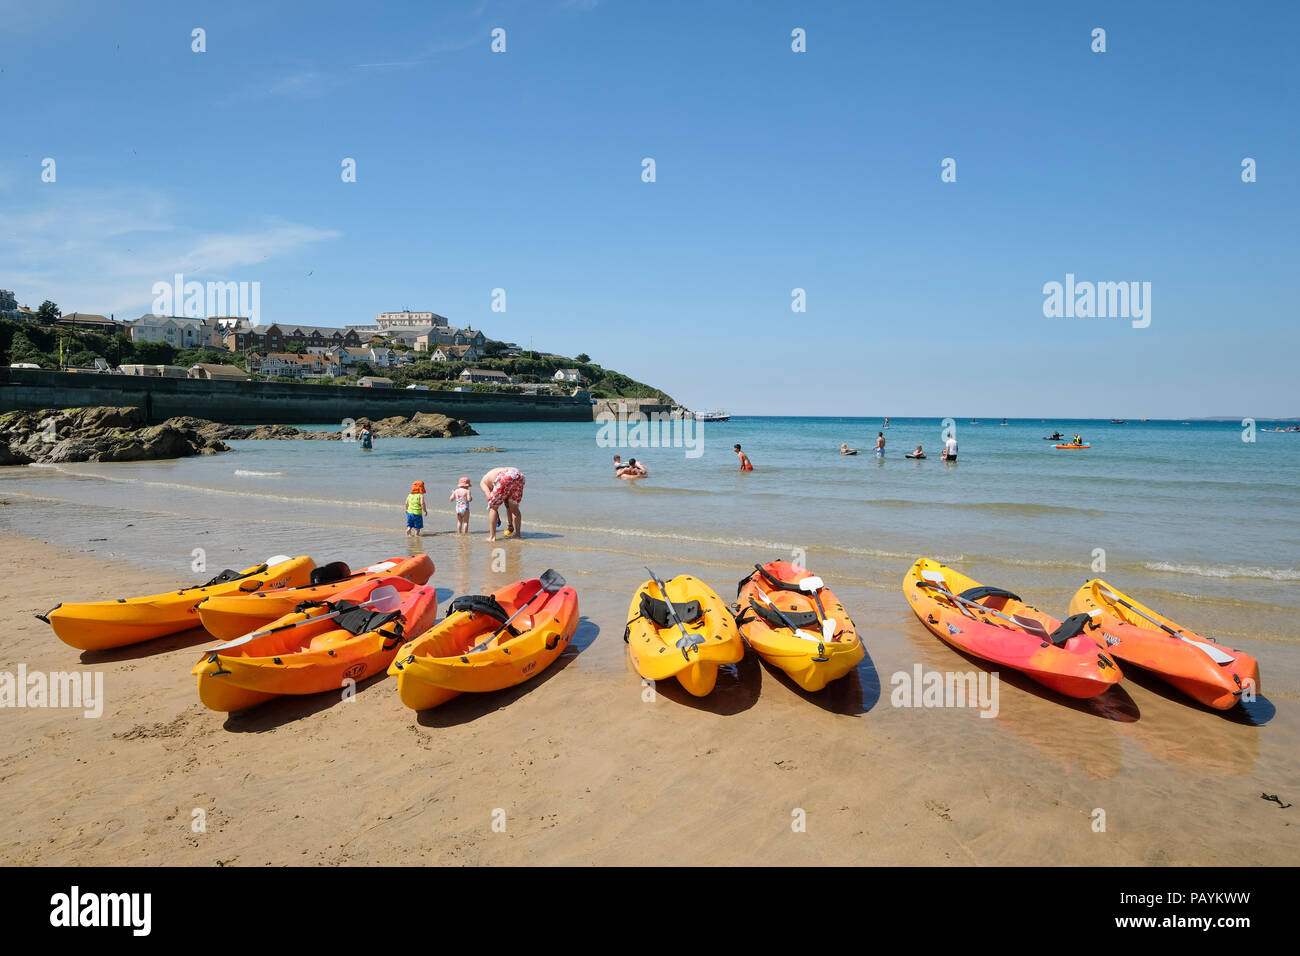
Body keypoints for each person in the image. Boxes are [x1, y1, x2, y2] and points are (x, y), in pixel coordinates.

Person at [481, 466, 525, 541]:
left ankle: (492, 537)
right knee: (514, 508)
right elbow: (508, 505)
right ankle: (518, 535)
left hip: (504, 477)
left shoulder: (483, 482)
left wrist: (495, 511)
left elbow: (489, 498)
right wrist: (510, 525)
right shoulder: (492, 474)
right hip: (519, 476)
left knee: (493, 507)